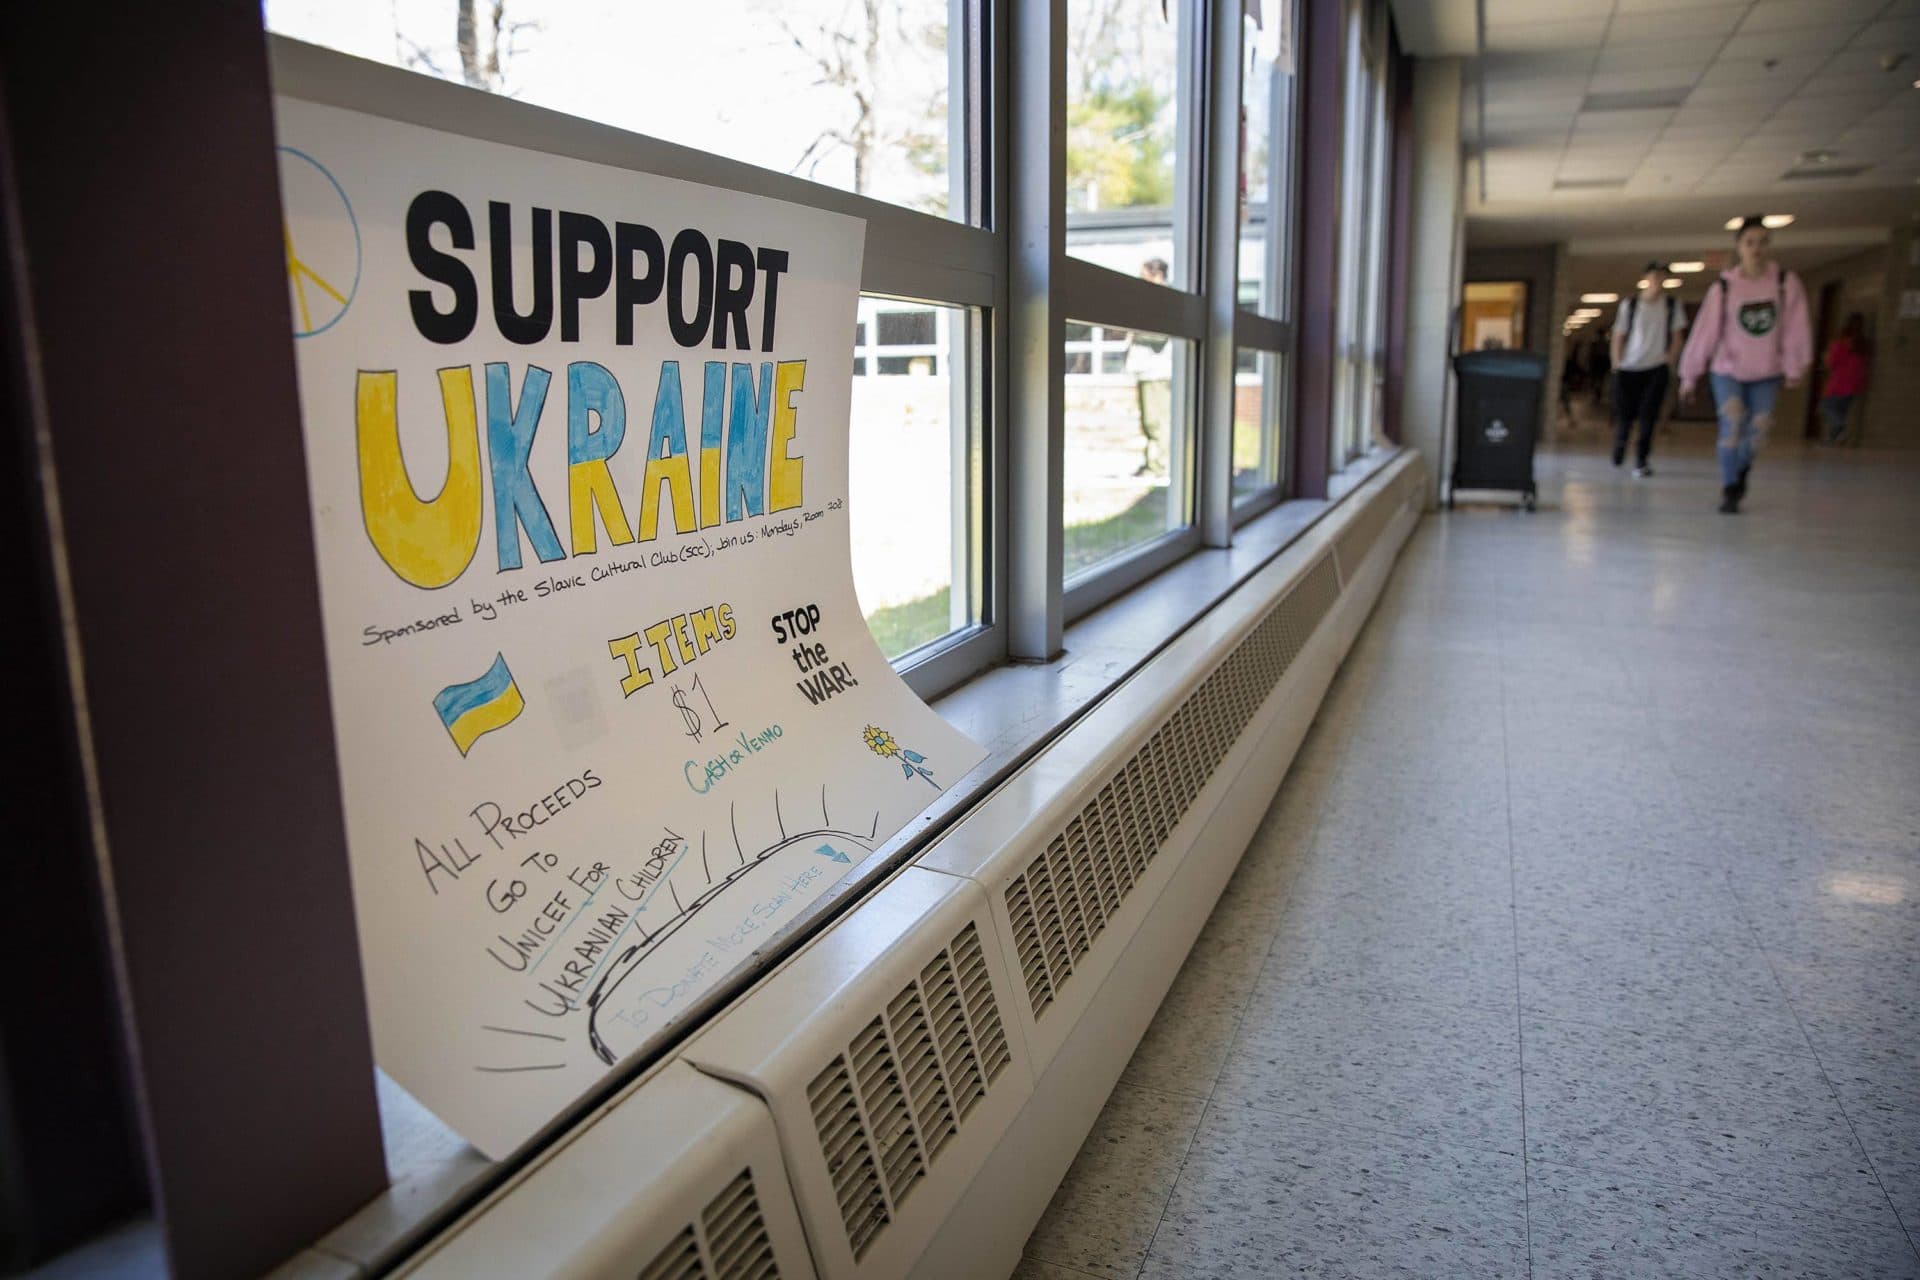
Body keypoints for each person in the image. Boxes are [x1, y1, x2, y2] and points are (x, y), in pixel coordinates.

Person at [1679, 216, 1811, 513]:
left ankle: (1742, 468)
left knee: (1759, 430)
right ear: (1739, 247)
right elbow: (1705, 333)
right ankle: (1730, 488)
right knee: (1732, 424)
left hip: (1767, 371)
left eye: (1763, 242)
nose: (1756, 249)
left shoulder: (1784, 283)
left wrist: (1794, 366)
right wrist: (1690, 375)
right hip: (1728, 370)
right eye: (1749, 242)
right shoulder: (1725, 288)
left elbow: (1795, 328)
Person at [1608, 262, 1687, 477]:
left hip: (1655, 367)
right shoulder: (1631, 305)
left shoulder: (1671, 305)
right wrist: (1616, 363)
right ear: (1646, 277)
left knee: (1648, 415)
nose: (1659, 280)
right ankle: (1620, 444)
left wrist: (1670, 358)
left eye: (1662, 276)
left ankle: (1641, 460)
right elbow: (1619, 335)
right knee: (1625, 414)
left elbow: (1678, 335)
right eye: (1655, 275)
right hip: (1628, 367)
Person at [1127, 257, 1174, 476]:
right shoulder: (1152, 299)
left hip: (1156, 372)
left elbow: (1159, 333)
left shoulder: (1162, 299)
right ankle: (1152, 462)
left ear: (1157, 275)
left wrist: (1136, 328)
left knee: (1157, 421)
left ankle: (1158, 465)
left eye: (1143, 275)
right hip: (1147, 371)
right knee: (1149, 420)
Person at [1818, 313, 1870, 445]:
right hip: (1854, 384)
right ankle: (1833, 439)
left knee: (1826, 407)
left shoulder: (1841, 343)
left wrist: (1826, 358)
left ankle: (1841, 428)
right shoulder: (1862, 344)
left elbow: (1832, 361)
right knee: (1841, 411)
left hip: (1839, 382)